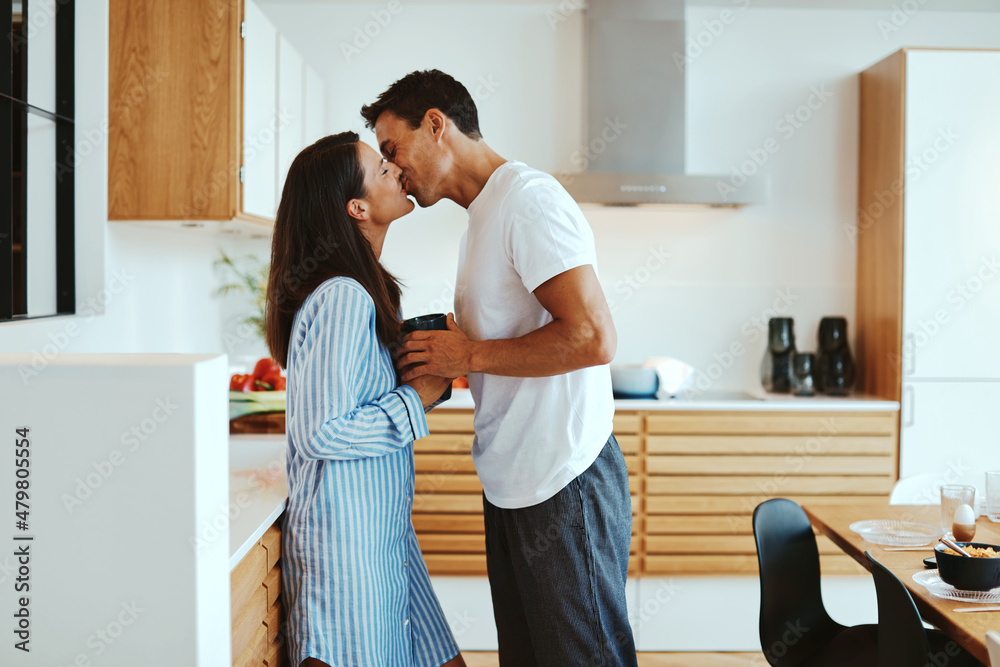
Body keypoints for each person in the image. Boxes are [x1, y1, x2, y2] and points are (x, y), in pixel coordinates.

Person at [362, 71, 637, 667]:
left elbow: (593, 337)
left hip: (563, 481)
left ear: (436, 124)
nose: (393, 170)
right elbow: (512, 345)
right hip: (514, 484)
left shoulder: (528, 199)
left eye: (392, 150)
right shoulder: (483, 217)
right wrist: (450, 361)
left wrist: (467, 355)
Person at [264, 131, 466, 667]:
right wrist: (416, 399)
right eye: (382, 168)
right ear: (356, 207)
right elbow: (322, 431)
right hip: (347, 554)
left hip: (381, 539)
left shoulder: (359, 291)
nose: (397, 171)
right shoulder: (342, 297)